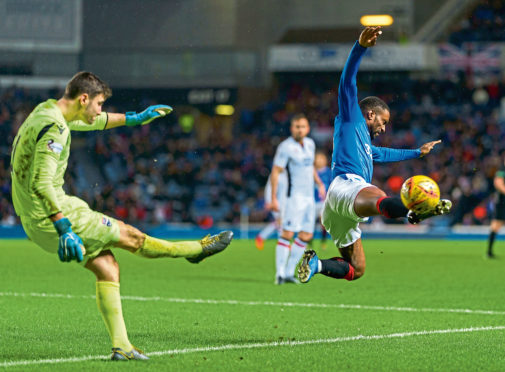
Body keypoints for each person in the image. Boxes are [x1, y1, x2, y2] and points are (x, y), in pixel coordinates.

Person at [10, 71, 233, 360]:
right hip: (52, 215)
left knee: (107, 267)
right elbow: (41, 183)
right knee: (132, 236)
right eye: (99, 103)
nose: (100, 110)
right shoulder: (56, 129)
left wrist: (134, 119)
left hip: (33, 215)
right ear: (84, 98)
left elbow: (94, 122)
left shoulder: (47, 110)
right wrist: (63, 227)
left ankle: (122, 347)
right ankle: (195, 249)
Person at [297, 27, 451, 284]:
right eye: (384, 121)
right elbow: (347, 81)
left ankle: (317, 264)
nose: (384, 128)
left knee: (356, 269)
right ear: (370, 114)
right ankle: (413, 211)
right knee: (379, 197)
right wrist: (360, 47)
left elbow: (386, 153)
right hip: (346, 186)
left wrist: (417, 152)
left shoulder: (366, 146)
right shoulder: (351, 118)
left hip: (337, 211)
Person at [269, 113, 326, 284]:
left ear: (307, 129)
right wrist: (273, 198)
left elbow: (310, 168)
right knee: (287, 233)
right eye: (297, 126)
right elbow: (276, 171)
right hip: (294, 197)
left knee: (306, 235)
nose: (300, 129)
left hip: (310, 198)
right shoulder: (285, 147)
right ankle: (279, 273)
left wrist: (319, 184)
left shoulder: (310, 144)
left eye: (303, 126)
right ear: (292, 128)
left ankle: (288, 272)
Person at [254, 171, 288, 250]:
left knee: (279, 222)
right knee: (280, 222)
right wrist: (269, 202)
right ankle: (283, 243)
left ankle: (261, 237)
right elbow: (269, 189)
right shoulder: (275, 173)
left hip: (284, 202)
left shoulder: (287, 173)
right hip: (275, 202)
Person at [486, 159, 505, 258]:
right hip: (502, 203)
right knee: (496, 225)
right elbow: (498, 183)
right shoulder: (502, 170)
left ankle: (489, 252)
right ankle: (489, 252)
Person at [314, 152, 332, 250]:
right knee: (310, 224)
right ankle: (309, 242)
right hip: (312, 201)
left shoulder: (328, 172)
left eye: (321, 158)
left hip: (323, 202)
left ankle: (323, 242)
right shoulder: (312, 172)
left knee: (323, 223)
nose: (319, 161)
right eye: (318, 158)